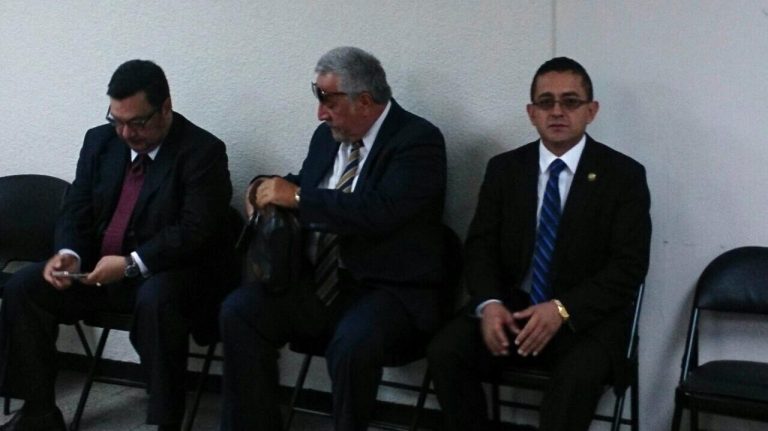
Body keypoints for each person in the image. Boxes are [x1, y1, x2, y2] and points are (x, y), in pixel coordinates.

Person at [219, 46, 447, 431]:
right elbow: (309, 185)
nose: (320, 113)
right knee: (240, 310)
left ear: (365, 101)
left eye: (329, 101)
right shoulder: (327, 138)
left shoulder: (417, 141)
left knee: (353, 342)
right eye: (318, 98)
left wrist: (297, 198)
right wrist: (266, 186)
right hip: (319, 282)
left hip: (386, 289)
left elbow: (380, 211)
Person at [0, 59, 233, 431]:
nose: (125, 133)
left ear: (165, 108)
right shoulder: (100, 141)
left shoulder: (202, 151)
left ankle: (166, 422)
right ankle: (39, 411)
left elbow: (196, 230)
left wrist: (130, 263)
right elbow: (76, 207)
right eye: (117, 120)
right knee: (24, 287)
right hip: (97, 271)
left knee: (157, 299)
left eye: (137, 123)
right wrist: (68, 254)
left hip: (165, 273)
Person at [427, 57, 652, 431]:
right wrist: (489, 303)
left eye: (570, 101)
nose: (557, 111)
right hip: (514, 307)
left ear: (591, 111)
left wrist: (562, 309)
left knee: (575, 379)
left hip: (587, 317)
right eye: (546, 102)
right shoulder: (505, 169)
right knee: (445, 352)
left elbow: (629, 266)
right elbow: (480, 246)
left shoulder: (623, 175)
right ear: (532, 113)